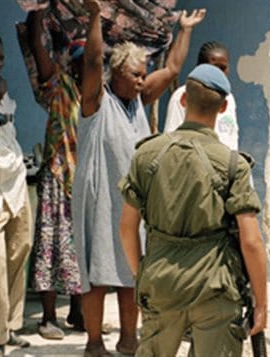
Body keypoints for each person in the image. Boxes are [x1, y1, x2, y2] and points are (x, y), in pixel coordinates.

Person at [72, 1, 205, 355]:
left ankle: (129, 338)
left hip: (131, 203)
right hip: (99, 199)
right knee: (97, 274)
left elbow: (174, 67)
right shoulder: (95, 102)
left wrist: (186, 29)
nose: (142, 80)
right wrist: (96, 17)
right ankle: (94, 342)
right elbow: (92, 61)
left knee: (132, 272)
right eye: (135, 74)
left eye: (143, 73)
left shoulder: (140, 99)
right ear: (116, 73)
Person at [119, 63, 267, 356]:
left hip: (161, 281)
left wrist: (143, 277)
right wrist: (261, 303)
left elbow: (126, 229)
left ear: (183, 100)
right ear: (224, 108)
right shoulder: (231, 164)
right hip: (215, 287)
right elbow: (251, 242)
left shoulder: (147, 154)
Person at [26, 9, 84, 339]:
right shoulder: (59, 85)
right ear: (72, 63)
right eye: (83, 61)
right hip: (58, 176)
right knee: (51, 245)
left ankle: (77, 311)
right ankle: (49, 317)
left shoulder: (93, 96)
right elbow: (38, 50)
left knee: (79, 249)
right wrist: (35, 15)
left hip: (81, 182)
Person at [0, 33, 33, 355]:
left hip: (16, 185)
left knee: (20, 251)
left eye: (1, 58)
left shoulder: (5, 95)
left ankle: (13, 325)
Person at [164, 41, 239, 150]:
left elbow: (232, 137)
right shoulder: (184, 94)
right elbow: (172, 136)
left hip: (224, 163)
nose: (219, 72)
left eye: (223, 68)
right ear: (201, 67)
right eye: (214, 67)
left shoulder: (229, 99)